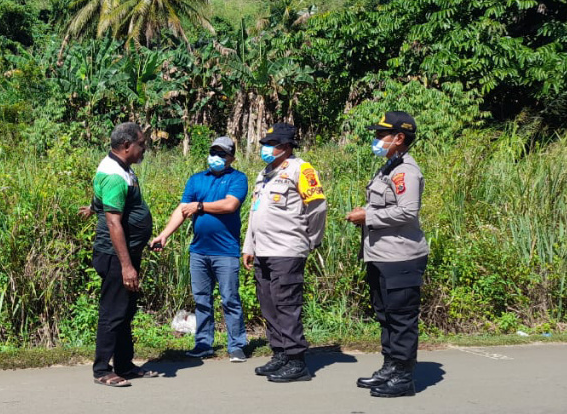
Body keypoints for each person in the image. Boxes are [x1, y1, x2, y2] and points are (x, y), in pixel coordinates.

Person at [345, 111, 429, 398]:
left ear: (399, 138)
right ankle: (390, 367)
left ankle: (404, 377)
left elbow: (408, 211)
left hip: (402, 257)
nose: (377, 140)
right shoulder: (388, 168)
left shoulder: (407, 171)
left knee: (402, 318)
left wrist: (366, 215)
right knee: (386, 316)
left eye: (382, 136)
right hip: (381, 255)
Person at [150, 137, 249, 362]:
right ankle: (204, 343)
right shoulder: (196, 180)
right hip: (199, 252)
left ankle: (237, 345)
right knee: (202, 300)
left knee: (230, 299)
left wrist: (201, 206)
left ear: (232, 158)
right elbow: (182, 210)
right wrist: (164, 234)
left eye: (222, 154)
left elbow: (230, 204)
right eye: (214, 152)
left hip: (226, 251)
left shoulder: (237, 178)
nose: (216, 157)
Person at [242, 123, 328, 383]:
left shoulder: (301, 169)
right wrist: (249, 246)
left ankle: (296, 360)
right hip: (263, 250)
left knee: (287, 305)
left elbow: (317, 206)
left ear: (287, 147)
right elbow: (255, 212)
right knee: (269, 304)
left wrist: (310, 239)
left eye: (273, 144)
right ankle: (280, 353)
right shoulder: (264, 174)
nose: (266, 149)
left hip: (287, 249)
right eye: (266, 144)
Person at [79, 122, 159, 387]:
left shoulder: (120, 168)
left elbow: (107, 198)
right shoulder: (115, 174)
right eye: (142, 144)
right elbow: (114, 223)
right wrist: (126, 266)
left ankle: (124, 364)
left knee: (125, 311)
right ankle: (102, 369)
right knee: (113, 312)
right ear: (127, 146)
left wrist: (93, 206)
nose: (144, 149)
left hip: (126, 254)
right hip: (115, 257)